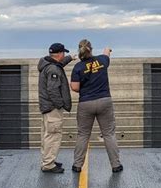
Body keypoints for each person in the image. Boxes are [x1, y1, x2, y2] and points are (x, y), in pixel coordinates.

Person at [70, 39, 122, 173]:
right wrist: (108, 49)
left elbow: (75, 87)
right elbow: (106, 53)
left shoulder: (78, 67)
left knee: (83, 135)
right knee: (109, 134)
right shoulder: (102, 61)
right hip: (104, 101)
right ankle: (116, 165)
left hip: (86, 103)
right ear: (91, 49)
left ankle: (77, 165)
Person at [38, 43, 75, 173]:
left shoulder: (47, 64)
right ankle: (48, 164)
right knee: (53, 136)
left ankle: (48, 160)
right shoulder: (53, 69)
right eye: (64, 53)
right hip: (52, 108)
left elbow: (59, 65)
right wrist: (60, 104)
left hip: (46, 107)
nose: (64, 55)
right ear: (59, 54)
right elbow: (53, 90)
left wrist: (70, 58)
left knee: (47, 135)